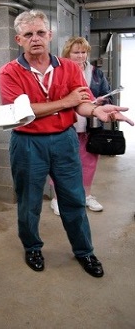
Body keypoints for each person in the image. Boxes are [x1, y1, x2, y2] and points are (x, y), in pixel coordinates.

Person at [0, 9, 134, 278]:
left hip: (64, 140)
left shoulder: (70, 68)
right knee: (29, 201)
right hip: (27, 143)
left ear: (49, 35)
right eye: (28, 34)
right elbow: (22, 112)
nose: (35, 38)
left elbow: (81, 103)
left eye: (40, 32)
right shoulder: (9, 73)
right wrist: (66, 102)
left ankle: (84, 251)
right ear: (19, 40)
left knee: (74, 198)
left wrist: (95, 111)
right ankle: (32, 247)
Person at [50, 36, 112, 216]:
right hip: (66, 125)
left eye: (83, 52)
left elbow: (107, 94)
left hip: (90, 126)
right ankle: (57, 199)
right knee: (60, 163)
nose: (80, 56)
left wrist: (101, 101)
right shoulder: (58, 71)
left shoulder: (96, 73)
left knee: (89, 162)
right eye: (76, 52)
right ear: (67, 53)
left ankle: (86, 195)